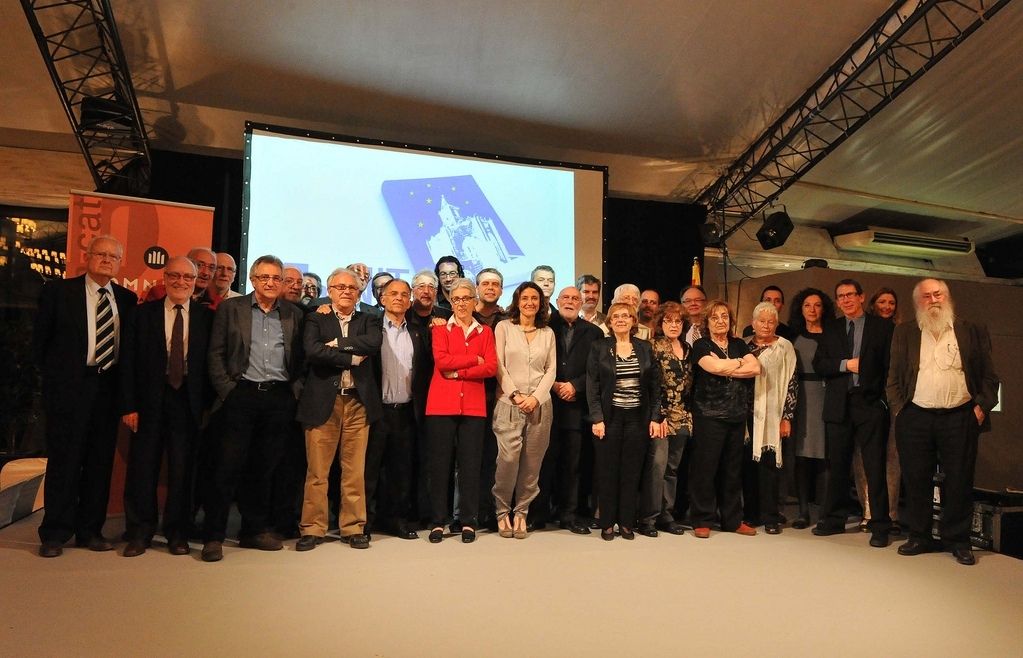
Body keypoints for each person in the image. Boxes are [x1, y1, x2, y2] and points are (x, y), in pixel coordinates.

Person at [34, 235, 137, 558]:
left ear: (120, 263)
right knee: (64, 461)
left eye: (113, 256)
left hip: (108, 391)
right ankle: (54, 533)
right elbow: (40, 343)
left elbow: (129, 354)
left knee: (99, 463)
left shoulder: (127, 299)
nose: (107, 260)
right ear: (88, 257)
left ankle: (90, 531)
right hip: (69, 390)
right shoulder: (59, 292)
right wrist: (54, 384)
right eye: (101, 254)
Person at [888, 279, 999, 565]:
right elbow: (894, 376)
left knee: (960, 480)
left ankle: (958, 540)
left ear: (947, 297)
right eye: (926, 296)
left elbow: (989, 376)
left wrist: (981, 407)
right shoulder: (905, 332)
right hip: (915, 417)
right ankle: (919, 536)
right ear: (918, 302)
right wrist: (900, 410)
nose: (933, 300)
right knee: (916, 479)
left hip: (960, 416)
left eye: (938, 294)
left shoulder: (971, 330)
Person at [203, 254, 304, 562]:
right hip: (240, 396)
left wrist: (293, 393)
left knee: (264, 468)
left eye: (276, 278)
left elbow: (300, 359)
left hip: (278, 399)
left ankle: (253, 530)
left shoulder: (293, 313)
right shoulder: (232, 309)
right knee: (227, 467)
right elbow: (216, 353)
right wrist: (228, 392)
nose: (271, 283)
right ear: (252, 279)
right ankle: (214, 536)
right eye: (264, 277)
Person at [119, 256, 213, 557]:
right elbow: (127, 363)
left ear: (196, 281)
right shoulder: (141, 315)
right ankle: (139, 532)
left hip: (188, 402)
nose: (180, 282)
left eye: (187, 277)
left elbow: (210, 367)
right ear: (165, 277)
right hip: (148, 400)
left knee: (183, 471)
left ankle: (177, 533)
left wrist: (208, 407)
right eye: (175, 275)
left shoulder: (207, 318)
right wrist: (129, 405)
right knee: (142, 468)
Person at [295, 268, 382, 551]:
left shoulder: (369, 319)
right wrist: (351, 359)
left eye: (352, 288)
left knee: (354, 471)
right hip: (324, 402)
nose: (346, 292)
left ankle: (353, 527)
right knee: (317, 472)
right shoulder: (316, 318)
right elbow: (313, 350)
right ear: (329, 291)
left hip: (358, 403)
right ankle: (312, 528)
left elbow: (373, 343)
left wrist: (338, 344)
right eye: (340, 287)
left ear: (359, 293)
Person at [812, 279, 894, 549]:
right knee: (837, 466)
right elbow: (820, 364)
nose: (846, 300)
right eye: (841, 296)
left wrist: (882, 400)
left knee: (875, 467)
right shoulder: (832, 328)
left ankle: (880, 525)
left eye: (850, 295)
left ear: (861, 297)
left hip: (869, 404)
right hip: (838, 404)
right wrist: (846, 365)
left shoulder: (882, 327)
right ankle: (833, 519)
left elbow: (889, 367)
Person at [424, 278, 497, 543]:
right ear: (450, 302)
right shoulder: (440, 328)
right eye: (456, 299)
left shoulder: (485, 331)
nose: (461, 303)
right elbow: (442, 362)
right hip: (441, 405)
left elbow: (490, 367)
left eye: (466, 298)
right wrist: (473, 360)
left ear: (475, 301)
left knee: (470, 466)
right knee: (440, 465)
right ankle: (437, 521)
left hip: (474, 407)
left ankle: (468, 521)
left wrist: (459, 372)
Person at [586, 302, 662, 541]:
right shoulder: (599, 347)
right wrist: (597, 418)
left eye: (625, 316)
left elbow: (655, 386)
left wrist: (655, 417)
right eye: (615, 316)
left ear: (633, 321)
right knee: (608, 472)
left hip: (637, 418)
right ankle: (608, 523)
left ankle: (627, 523)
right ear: (609, 322)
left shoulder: (644, 347)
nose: (620, 320)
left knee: (631, 472)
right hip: (609, 418)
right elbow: (592, 385)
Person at [530, 286, 603, 534]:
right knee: (543, 463)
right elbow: (536, 364)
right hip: (546, 403)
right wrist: (552, 384)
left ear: (581, 303)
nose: (570, 301)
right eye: (566, 298)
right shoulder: (544, 328)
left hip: (576, 408)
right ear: (557, 301)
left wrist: (575, 386)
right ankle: (538, 514)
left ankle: (568, 515)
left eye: (575, 298)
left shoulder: (593, 332)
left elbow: (596, 370)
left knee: (572, 465)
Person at [364, 278, 431, 540]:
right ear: (382, 299)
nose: (399, 298)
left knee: (401, 470)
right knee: (369, 469)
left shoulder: (417, 332)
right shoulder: (369, 327)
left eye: (404, 294)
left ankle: (397, 520)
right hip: (375, 410)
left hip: (406, 411)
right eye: (393, 293)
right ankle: (364, 521)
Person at [688, 300, 761, 539]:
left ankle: (732, 520)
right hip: (708, 415)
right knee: (706, 468)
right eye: (715, 317)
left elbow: (755, 368)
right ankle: (702, 519)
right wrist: (739, 363)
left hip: (736, 414)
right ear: (707, 322)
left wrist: (729, 364)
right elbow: (712, 367)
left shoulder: (739, 343)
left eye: (724, 317)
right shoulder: (701, 344)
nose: (721, 321)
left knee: (732, 470)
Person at [491, 282, 556, 538]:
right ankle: (501, 511)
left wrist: (536, 398)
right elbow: (498, 364)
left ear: (541, 303)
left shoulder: (547, 333)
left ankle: (521, 512)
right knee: (507, 460)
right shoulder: (504, 327)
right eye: (525, 298)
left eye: (535, 298)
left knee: (532, 464)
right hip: (509, 404)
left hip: (540, 406)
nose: (530, 302)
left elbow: (551, 369)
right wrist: (516, 394)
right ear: (517, 301)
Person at [637, 301, 692, 537]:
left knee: (672, 468)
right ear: (660, 323)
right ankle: (648, 518)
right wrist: (657, 415)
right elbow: (650, 385)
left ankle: (666, 515)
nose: (673, 325)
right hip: (660, 416)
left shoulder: (688, 348)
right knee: (656, 467)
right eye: (668, 321)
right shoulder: (653, 346)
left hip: (683, 416)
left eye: (678, 321)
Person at [745, 301, 798, 534]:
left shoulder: (785, 346)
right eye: (761, 321)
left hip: (773, 415)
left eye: (771, 322)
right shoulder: (743, 345)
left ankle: (771, 516)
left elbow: (792, 382)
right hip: (747, 414)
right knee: (748, 466)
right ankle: (751, 514)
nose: (766, 325)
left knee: (769, 467)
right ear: (753, 323)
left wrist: (787, 416)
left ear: (776, 324)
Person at [854, 286, 902, 532]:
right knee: (864, 458)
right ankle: (868, 512)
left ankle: (890, 514)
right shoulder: (864, 330)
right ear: (872, 304)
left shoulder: (901, 331)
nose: (887, 306)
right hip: (869, 402)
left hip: (893, 403)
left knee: (892, 457)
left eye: (891, 302)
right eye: (882, 301)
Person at [787, 288, 834, 529]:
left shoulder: (834, 336)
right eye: (807, 305)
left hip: (827, 397)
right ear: (800, 309)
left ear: (824, 308)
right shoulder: (793, 336)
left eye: (817, 305)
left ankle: (824, 512)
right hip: (801, 399)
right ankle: (803, 512)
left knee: (825, 456)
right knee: (802, 456)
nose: (812, 310)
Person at [473, 267, 507, 531]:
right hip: (471, 394)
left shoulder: (508, 320)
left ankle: (493, 512)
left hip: (501, 395)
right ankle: (469, 513)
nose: (490, 288)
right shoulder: (463, 316)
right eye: (485, 283)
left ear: (501, 290)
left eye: (495, 284)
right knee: (471, 457)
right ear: (477, 288)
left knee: (496, 457)